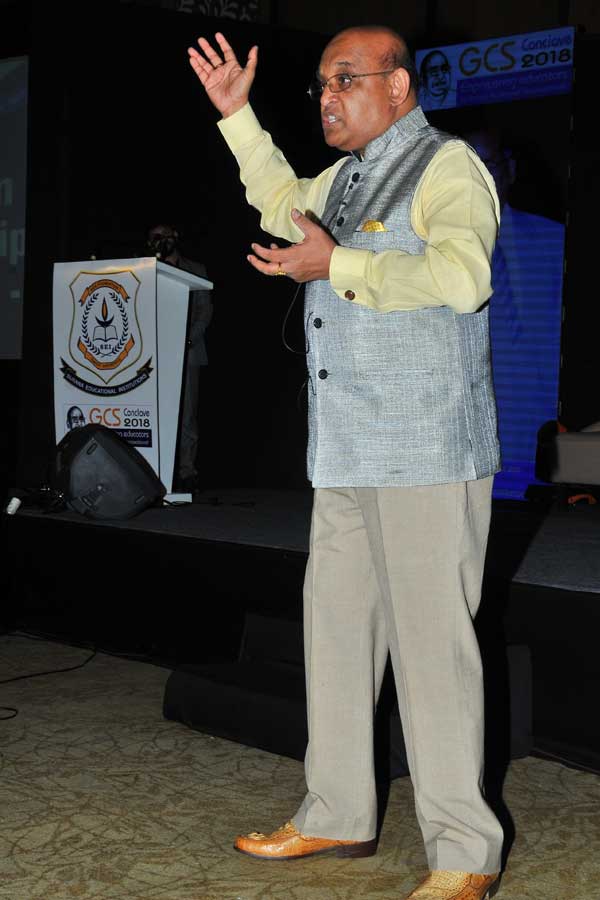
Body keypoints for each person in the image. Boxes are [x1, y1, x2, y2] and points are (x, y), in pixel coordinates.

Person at [188, 26, 503, 900]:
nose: (327, 97)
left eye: (346, 80)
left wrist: (342, 262)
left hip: (427, 449)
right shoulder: (345, 176)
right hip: (348, 446)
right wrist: (238, 116)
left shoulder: (446, 167)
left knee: (433, 656)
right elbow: (282, 201)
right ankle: (336, 811)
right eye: (321, 85)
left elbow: (463, 277)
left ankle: (466, 851)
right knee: (335, 637)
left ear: (398, 87)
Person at [462, 128, 566, 500]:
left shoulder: (556, 242)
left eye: (486, 164)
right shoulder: (426, 253)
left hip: (539, 450)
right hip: (463, 452)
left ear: (510, 169)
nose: (474, 177)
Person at [146, 223, 213, 493]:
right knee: (152, 411)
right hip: (151, 355)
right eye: (154, 237)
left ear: (175, 238)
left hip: (187, 352)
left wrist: (187, 340)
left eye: (164, 236)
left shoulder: (195, 269)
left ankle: (187, 472)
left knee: (186, 416)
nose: (160, 241)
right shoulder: (144, 269)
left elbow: (205, 311)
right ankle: (152, 470)